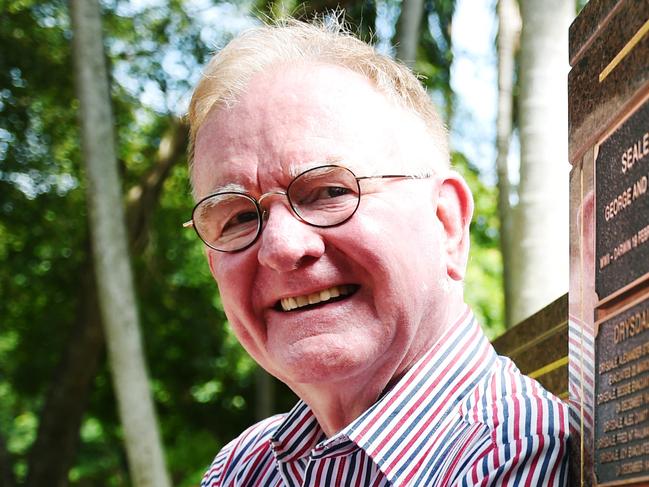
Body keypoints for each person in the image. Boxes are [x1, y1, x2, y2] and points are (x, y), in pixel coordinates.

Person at [185, 18, 569, 487]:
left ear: (446, 223)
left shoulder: (514, 455)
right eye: (239, 218)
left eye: (327, 191)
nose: (282, 247)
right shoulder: (243, 467)